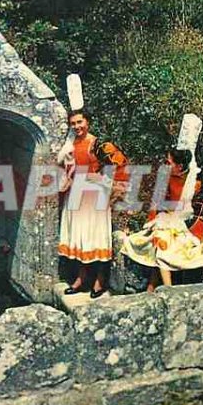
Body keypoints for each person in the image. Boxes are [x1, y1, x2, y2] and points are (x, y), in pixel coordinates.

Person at [120, 115, 203, 291]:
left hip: (190, 225)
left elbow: (201, 213)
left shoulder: (197, 182)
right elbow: (157, 202)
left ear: (179, 166)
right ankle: (155, 285)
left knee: (163, 242)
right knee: (156, 238)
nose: (166, 164)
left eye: (169, 162)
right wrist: (152, 219)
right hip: (169, 220)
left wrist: (194, 235)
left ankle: (166, 289)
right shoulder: (165, 177)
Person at [58, 109, 129, 298]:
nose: (77, 126)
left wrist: (106, 182)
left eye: (80, 122)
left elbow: (120, 164)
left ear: (87, 122)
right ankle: (81, 279)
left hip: (95, 195)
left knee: (95, 237)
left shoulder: (98, 144)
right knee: (81, 238)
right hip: (76, 195)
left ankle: (100, 281)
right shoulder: (70, 144)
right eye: (73, 123)